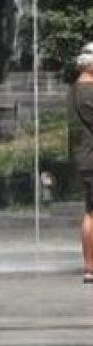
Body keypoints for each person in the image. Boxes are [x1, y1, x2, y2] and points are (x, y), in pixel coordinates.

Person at [67, 42, 93, 284]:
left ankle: (89, 268)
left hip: (85, 156)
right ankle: (90, 267)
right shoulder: (88, 90)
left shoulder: (75, 88)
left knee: (91, 210)